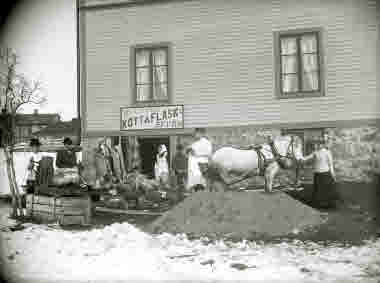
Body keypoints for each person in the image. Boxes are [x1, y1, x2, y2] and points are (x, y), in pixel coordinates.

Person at [301, 138, 340, 209]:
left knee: (326, 190)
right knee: (318, 190)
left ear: (323, 145)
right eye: (317, 144)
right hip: (317, 174)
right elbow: (305, 159)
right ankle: (318, 205)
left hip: (325, 174)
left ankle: (328, 205)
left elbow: (330, 164)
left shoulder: (327, 152)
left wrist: (333, 174)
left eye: (319, 144)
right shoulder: (315, 152)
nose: (318, 145)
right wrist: (299, 157)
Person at [186, 128, 213, 192]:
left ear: (201, 133)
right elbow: (190, 153)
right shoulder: (194, 143)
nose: (195, 135)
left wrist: (197, 154)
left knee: (202, 184)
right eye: (195, 133)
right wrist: (188, 151)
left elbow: (209, 153)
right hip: (193, 168)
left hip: (201, 166)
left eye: (196, 133)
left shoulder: (207, 142)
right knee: (195, 185)